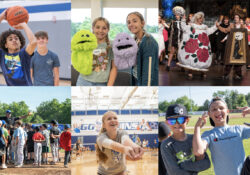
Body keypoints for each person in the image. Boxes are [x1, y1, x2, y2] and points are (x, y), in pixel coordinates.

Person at [193, 97, 250, 175]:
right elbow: (198, 151)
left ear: (227, 111)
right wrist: (197, 127)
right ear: (209, 114)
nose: (218, 111)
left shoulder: (238, 129)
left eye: (221, 108)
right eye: (214, 109)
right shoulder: (208, 134)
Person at [161, 104, 210, 175]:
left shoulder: (194, 139)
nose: (177, 124)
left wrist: (184, 165)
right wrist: (194, 168)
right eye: (172, 121)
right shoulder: (166, 145)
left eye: (181, 120)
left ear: (187, 120)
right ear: (167, 123)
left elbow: (206, 163)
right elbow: (174, 172)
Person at [76, 17, 117, 86]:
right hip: (83, 81)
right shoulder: (86, 43)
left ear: (108, 30)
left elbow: (114, 68)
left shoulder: (111, 46)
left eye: (104, 28)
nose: (100, 30)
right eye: (97, 27)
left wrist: (109, 86)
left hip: (102, 83)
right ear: (93, 28)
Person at [0, 10, 37, 86]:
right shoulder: (2, 54)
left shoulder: (23, 53)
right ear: (6, 45)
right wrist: (1, 17)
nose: (14, 40)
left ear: (20, 43)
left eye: (16, 38)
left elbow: (33, 42)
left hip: (26, 90)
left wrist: (24, 25)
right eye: (10, 39)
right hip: (11, 91)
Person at [177, 11, 218, 78]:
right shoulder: (192, 26)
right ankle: (191, 71)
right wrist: (183, 20)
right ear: (196, 19)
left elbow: (209, 31)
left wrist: (215, 26)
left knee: (202, 57)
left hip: (203, 46)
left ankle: (203, 71)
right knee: (192, 58)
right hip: (194, 45)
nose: (201, 20)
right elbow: (184, 28)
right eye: (199, 18)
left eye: (202, 19)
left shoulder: (204, 27)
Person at [127, 12, 158, 86]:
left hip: (144, 83)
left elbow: (148, 73)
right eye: (129, 22)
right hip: (136, 78)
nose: (131, 24)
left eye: (134, 21)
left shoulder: (148, 42)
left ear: (142, 23)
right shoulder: (136, 40)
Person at [218, 14, 247, 79]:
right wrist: (218, 27)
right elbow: (225, 30)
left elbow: (246, 33)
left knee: (238, 60)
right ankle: (225, 74)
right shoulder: (231, 25)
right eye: (235, 17)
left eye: (237, 17)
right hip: (232, 44)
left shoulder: (243, 26)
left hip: (239, 45)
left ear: (239, 19)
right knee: (229, 60)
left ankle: (238, 74)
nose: (235, 18)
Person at [166, 6, 184, 71]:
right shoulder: (173, 22)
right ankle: (168, 65)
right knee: (172, 52)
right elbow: (170, 30)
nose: (176, 16)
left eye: (178, 15)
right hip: (175, 39)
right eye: (176, 15)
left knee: (181, 53)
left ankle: (182, 67)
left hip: (181, 39)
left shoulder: (183, 23)